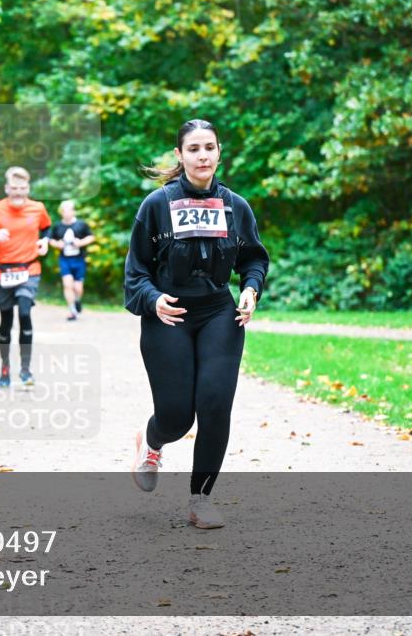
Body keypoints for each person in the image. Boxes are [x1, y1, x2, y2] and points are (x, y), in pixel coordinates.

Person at [123, 119, 269, 529]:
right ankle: (151, 441)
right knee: (177, 417)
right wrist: (153, 301)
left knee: (215, 403)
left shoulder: (236, 206)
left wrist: (250, 289)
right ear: (180, 155)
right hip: (168, 315)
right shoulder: (156, 204)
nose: (202, 155)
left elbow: (254, 258)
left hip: (219, 313)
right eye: (194, 149)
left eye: (209, 147)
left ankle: (200, 499)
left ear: (219, 152)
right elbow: (135, 274)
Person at [0, 166, 51, 388]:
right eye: (14, 188)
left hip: (29, 269)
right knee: (6, 320)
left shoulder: (38, 208)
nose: (18, 192)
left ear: (28, 188)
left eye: (23, 188)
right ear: (7, 188)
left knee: (25, 311)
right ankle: (5, 369)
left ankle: (26, 370)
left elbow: (47, 228)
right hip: (2, 272)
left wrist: (44, 241)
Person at [49, 200, 94, 321]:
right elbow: (51, 239)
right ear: (61, 212)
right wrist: (57, 244)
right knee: (67, 285)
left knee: (78, 288)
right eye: (65, 211)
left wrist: (80, 243)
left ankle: (77, 301)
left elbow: (91, 237)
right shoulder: (58, 226)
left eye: (70, 210)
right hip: (65, 260)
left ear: (73, 211)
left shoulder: (81, 224)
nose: (67, 213)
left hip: (79, 260)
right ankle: (72, 311)